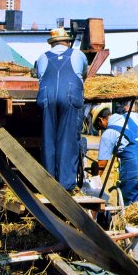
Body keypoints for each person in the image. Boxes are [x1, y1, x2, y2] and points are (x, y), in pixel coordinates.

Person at [36, 27, 88, 191]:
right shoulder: (78, 55)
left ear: (52, 43)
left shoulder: (42, 57)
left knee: (48, 139)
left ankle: (48, 183)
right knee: (68, 140)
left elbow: (40, 77)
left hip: (47, 98)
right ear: (67, 42)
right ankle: (65, 185)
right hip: (70, 96)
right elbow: (84, 74)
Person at [96, 105, 138, 206]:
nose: (101, 129)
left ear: (101, 120)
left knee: (132, 211)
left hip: (132, 171)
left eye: (99, 126)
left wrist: (94, 180)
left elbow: (102, 164)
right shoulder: (135, 116)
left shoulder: (108, 133)